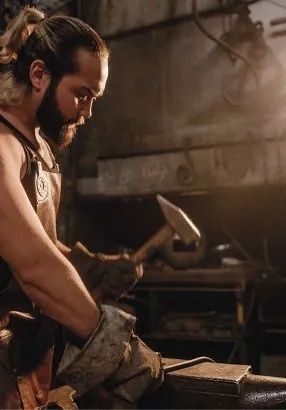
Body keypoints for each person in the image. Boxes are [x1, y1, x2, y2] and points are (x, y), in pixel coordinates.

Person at [0, 6, 162, 409]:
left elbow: (42, 243)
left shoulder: (37, 147)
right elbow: (34, 265)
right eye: (81, 94)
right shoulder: (2, 145)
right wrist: (112, 347)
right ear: (39, 74)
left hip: (21, 366)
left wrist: (92, 267)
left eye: (94, 98)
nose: (87, 112)